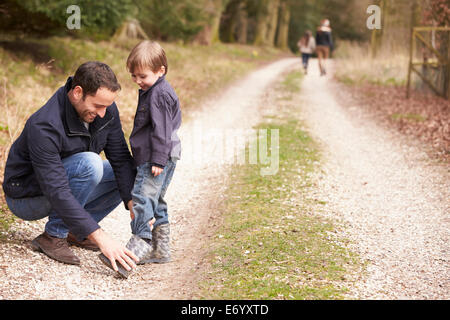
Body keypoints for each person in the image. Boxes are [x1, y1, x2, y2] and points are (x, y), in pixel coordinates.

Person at [2, 61, 140, 274]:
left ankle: (76, 233)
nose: (104, 113)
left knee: (120, 174)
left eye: (107, 106)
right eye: (98, 106)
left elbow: (120, 159)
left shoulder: (106, 110)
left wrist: (133, 204)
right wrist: (101, 237)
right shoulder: (45, 125)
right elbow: (57, 190)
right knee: (91, 164)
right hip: (26, 196)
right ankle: (54, 236)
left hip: (64, 180)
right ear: (77, 92)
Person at [101, 40, 181, 277]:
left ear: (161, 70)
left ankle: (134, 252)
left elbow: (162, 130)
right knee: (156, 199)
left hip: (156, 157)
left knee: (142, 199)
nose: (137, 81)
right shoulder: (153, 90)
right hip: (160, 155)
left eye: (142, 76)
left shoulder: (159, 95)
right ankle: (160, 249)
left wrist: (158, 159)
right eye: (134, 76)